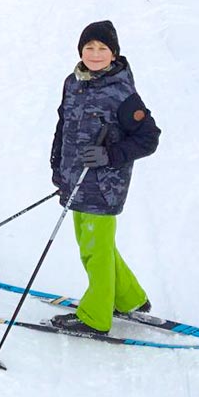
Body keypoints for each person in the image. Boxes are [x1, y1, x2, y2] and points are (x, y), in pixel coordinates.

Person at [48, 20, 160, 334]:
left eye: (102, 49)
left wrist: (109, 155)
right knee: (98, 244)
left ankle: (96, 316)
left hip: (104, 184)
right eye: (89, 48)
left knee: (93, 250)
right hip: (76, 179)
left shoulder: (122, 93)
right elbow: (63, 128)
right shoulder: (73, 82)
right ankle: (130, 298)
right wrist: (58, 167)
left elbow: (149, 138)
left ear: (114, 54)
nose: (95, 54)